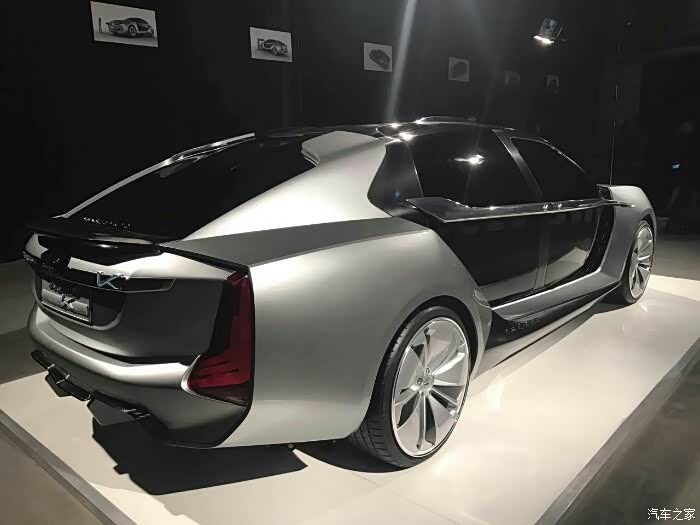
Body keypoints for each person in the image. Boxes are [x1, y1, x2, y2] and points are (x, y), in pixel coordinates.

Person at [666, 118, 699, 214]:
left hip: (688, 166)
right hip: (685, 166)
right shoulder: (683, 139)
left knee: (690, 187)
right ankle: (671, 206)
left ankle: (692, 208)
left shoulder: (689, 140)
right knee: (681, 185)